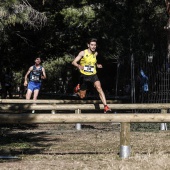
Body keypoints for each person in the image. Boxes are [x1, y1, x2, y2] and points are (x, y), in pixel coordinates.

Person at [72, 38, 112, 113]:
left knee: (99, 87)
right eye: (92, 45)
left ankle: (106, 106)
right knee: (82, 96)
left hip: (93, 75)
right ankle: (77, 89)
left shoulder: (95, 53)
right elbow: (73, 62)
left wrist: (97, 65)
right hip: (84, 76)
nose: (93, 46)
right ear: (88, 45)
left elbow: (93, 62)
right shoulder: (83, 53)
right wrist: (78, 66)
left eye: (95, 45)